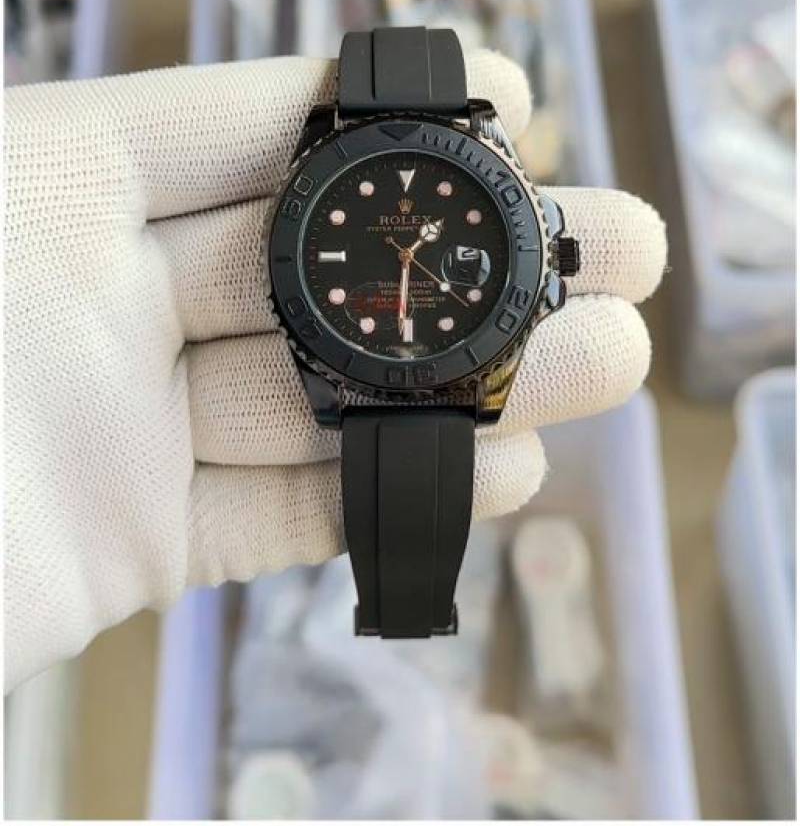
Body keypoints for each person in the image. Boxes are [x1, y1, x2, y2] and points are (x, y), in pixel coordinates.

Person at [4, 49, 666, 691]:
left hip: (399, 359)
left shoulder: (492, 239)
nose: (406, 258)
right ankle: (407, 607)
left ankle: (408, 605)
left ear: (551, 257)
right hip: (366, 357)